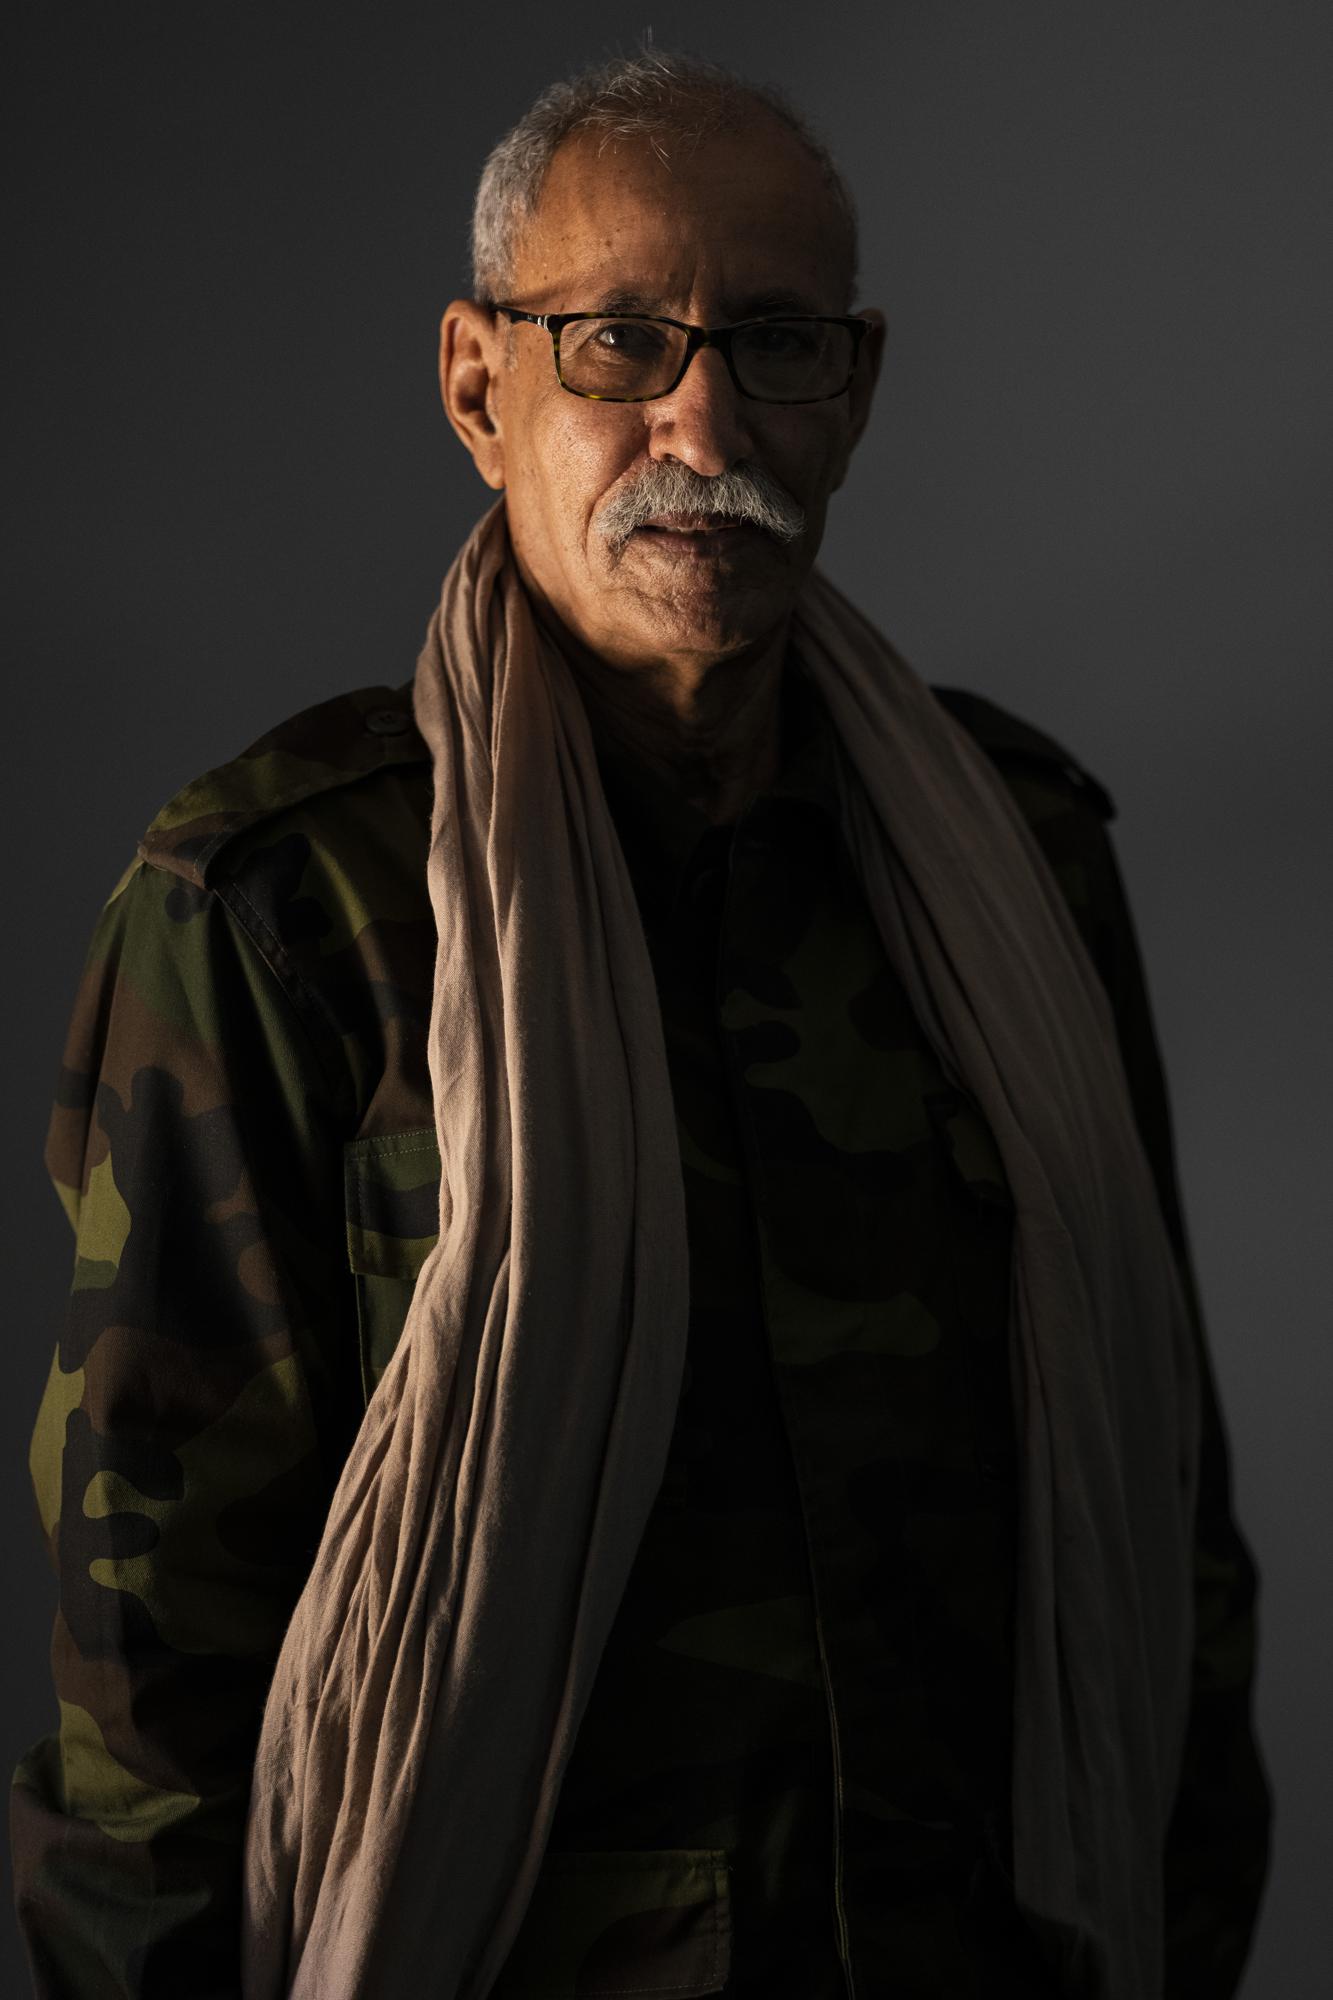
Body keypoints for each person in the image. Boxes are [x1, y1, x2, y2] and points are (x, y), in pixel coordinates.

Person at [12, 48, 1270, 2000]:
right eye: (618, 340)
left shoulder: (1014, 859)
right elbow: (151, 1668)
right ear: (475, 383)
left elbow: (1160, 1506)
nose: (704, 417)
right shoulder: (281, 901)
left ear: (853, 390)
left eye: (773, 344)